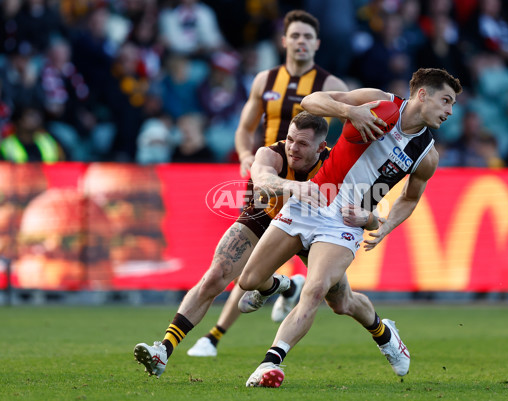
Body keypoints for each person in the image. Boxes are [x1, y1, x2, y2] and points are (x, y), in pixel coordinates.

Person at [237, 68, 462, 388]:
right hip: (310, 201)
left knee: (315, 290)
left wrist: (383, 227)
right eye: (446, 100)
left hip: (344, 222)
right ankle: (379, 330)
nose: (450, 111)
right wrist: (349, 111)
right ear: (422, 95)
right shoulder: (378, 102)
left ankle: (269, 364)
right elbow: (312, 101)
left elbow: (410, 198)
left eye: (451, 104)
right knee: (253, 281)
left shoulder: (427, 155)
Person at [133, 112, 375, 378]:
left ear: (321, 147)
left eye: (302, 144)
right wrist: (296, 188)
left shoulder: (338, 162)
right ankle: (163, 351)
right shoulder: (272, 154)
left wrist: (370, 219)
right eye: (291, 139)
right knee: (215, 276)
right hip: (266, 215)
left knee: (341, 303)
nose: (293, 147)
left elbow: (364, 205)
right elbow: (262, 182)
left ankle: (384, 333)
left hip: (318, 229)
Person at [185, 9, 349, 358]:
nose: (301, 42)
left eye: (308, 37)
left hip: (309, 184)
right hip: (268, 175)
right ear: (284, 40)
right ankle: (215, 334)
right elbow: (244, 130)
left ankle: (222, 330)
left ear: (317, 44)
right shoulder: (264, 80)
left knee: (334, 293)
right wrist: (246, 155)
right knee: (241, 261)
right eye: (296, 36)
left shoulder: (332, 86)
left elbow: (351, 134)